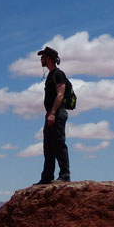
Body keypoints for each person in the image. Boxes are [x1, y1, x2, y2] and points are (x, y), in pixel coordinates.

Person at [37, 46, 70, 183]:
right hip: (51, 113)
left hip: (57, 113)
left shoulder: (59, 74)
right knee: (48, 146)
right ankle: (47, 177)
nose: (41, 59)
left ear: (50, 58)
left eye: (43, 57)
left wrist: (53, 113)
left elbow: (60, 94)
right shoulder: (50, 75)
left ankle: (65, 176)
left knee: (58, 143)